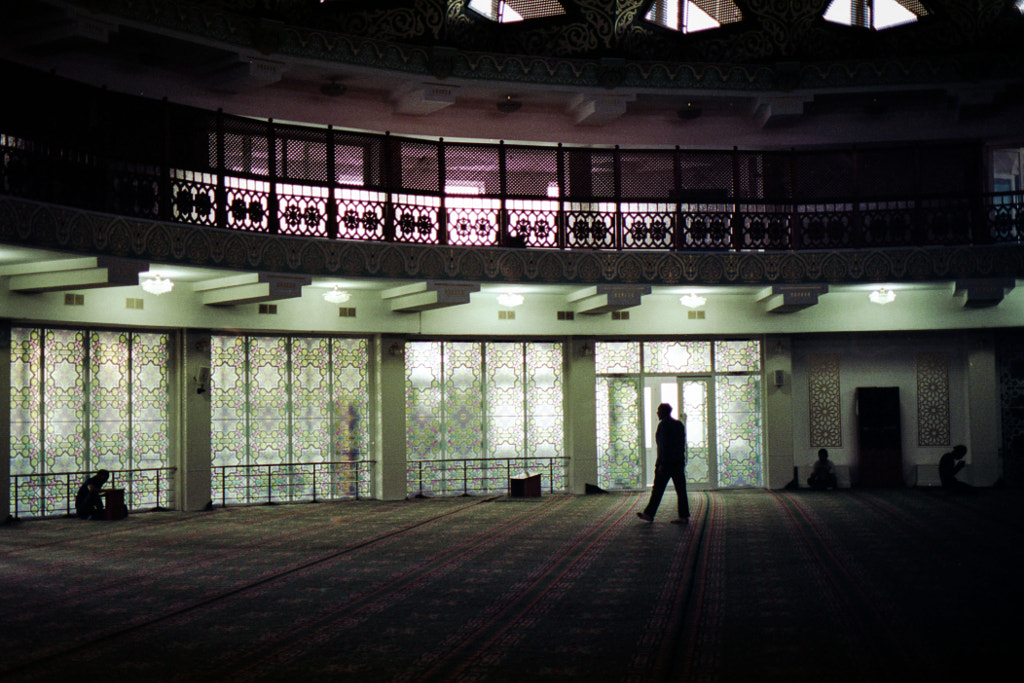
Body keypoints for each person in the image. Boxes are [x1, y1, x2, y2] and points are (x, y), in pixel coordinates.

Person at [637, 403, 689, 524]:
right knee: (681, 490)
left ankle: (649, 514)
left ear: (664, 412)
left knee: (657, 490)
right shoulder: (679, 424)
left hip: (666, 464)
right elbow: (682, 444)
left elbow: (664, 446)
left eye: (659, 411)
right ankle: (684, 516)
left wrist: (662, 463)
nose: (657, 413)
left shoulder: (663, 426)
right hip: (678, 462)